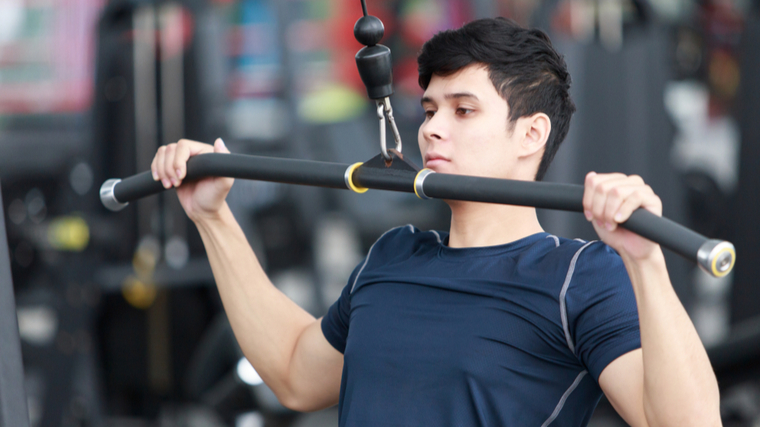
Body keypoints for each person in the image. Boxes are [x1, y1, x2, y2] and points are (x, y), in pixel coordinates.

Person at [151, 18, 720, 427]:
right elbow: (297, 376)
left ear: (532, 134)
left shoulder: (577, 276)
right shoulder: (394, 255)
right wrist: (212, 216)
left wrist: (644, 262)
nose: (431, 130)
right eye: (429, 109)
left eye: (463, 109)